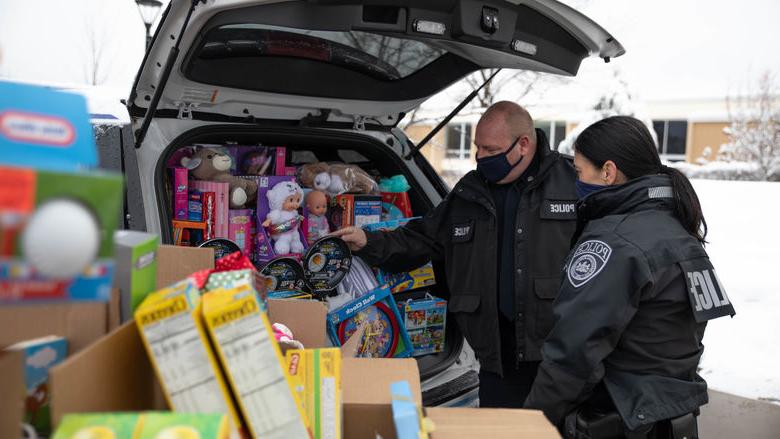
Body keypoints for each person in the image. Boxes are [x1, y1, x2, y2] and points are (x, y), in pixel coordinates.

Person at [332, 101, 578, 407]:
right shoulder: (470, 191)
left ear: (524, 144)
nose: (480, 157)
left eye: (490, 149)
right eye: (477, 148)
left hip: (557, 357)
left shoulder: (572, 182)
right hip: (495, 360)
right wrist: (367, 241)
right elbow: (422, 238)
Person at [524, 116, 735, 438]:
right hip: (673, 416)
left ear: (607, 171)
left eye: (579, 172)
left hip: (622, 418)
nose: (575, 181)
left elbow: (574, 353)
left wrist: (531, 423)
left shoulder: (613, 241)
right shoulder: (677, 230)